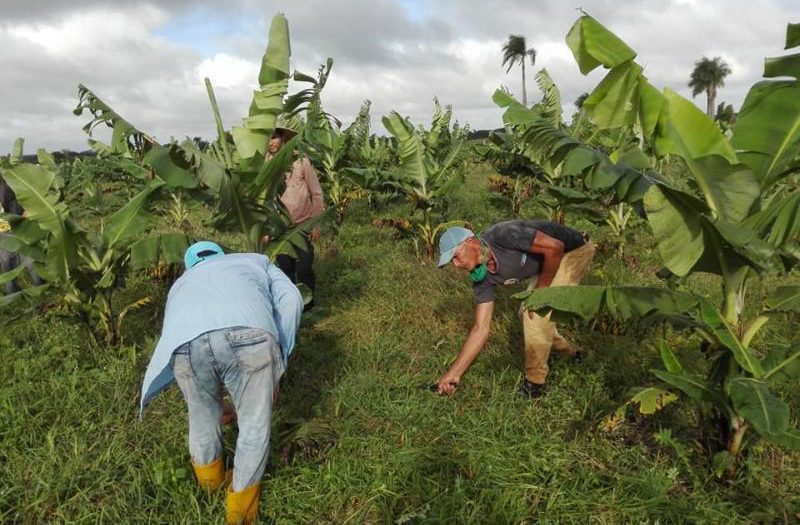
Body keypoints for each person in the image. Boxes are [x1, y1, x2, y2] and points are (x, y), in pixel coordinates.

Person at [139, 241, 303, 525]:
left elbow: (187, 331)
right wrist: (279, 359)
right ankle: (240, 513)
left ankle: (209, 486)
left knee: (202, 416)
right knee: (253, 423)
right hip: (249, 335)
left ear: (190, 265)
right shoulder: (256, 261)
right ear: (222, 256)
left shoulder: (180, 283)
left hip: (185, 344)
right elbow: (292, 300)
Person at [435, 220, 595, 398]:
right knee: (527, 313)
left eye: (456, 257)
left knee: (534, 314)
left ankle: (535, 385)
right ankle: (571, 353)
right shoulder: (481, 278)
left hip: (573, 250)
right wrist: (454, 373)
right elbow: (481, 328)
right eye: (452, 262)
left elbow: (554, 247)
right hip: (550, 260)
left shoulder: (504, 235)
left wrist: (540, 292)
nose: (456, 265)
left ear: (471, 242)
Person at [268, 124, 325, 310]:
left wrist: (316, 224)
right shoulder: (266, 164)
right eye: (268, 138)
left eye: (275, 137)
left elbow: (316, 193)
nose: (271, 142)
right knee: (285, 270)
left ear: (284, 138)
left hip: (303, 225)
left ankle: (309, 308)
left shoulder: (301, 162)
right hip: (279, 228)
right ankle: (292, 308)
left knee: (304, 268)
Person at [0, 175, 43, 294]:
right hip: (3, 233)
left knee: (31, 261)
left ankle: (40, 290)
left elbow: (26, 196)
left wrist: (26, 212)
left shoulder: (9, 182)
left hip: (20, 227)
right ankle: (14, 295)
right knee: (7, 264)